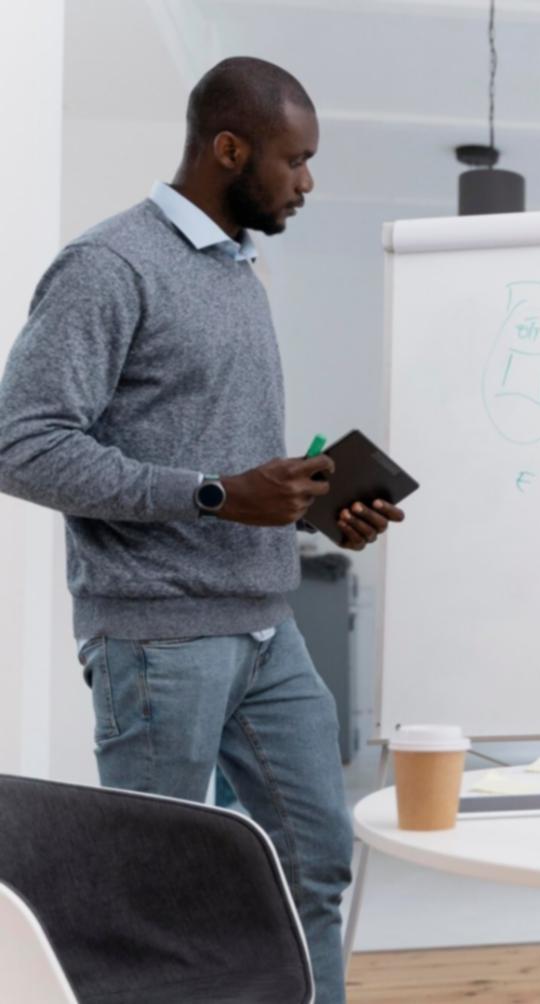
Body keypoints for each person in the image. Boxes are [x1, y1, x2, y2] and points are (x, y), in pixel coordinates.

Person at [0, 57, 402, 1003]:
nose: (307, 183)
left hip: (269, 629)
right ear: (229, 149)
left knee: (315, 867)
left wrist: (314, 506)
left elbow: (213, 461)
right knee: (157, 902)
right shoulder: (109, 264)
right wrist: (219, 496)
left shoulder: (237, 273)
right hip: (158, 638)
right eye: (294, 161)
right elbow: (21, 446)